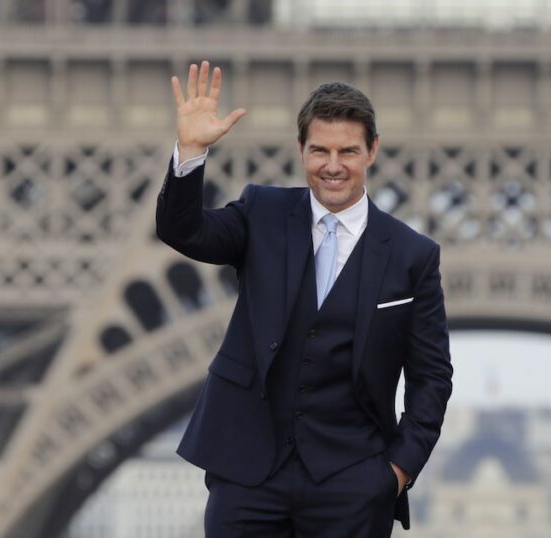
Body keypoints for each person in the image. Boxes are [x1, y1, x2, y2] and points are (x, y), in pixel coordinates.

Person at [156, 60, 453, 537]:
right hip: (248, 474)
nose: (333, 166)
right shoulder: (262, 213)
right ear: (301, 150)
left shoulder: (412, 256)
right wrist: (190, 152)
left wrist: (396, 472)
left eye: (347, 151)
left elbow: (432, 376)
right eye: (320, 150)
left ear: (372, 151)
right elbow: (182, 230)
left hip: (353, 481)